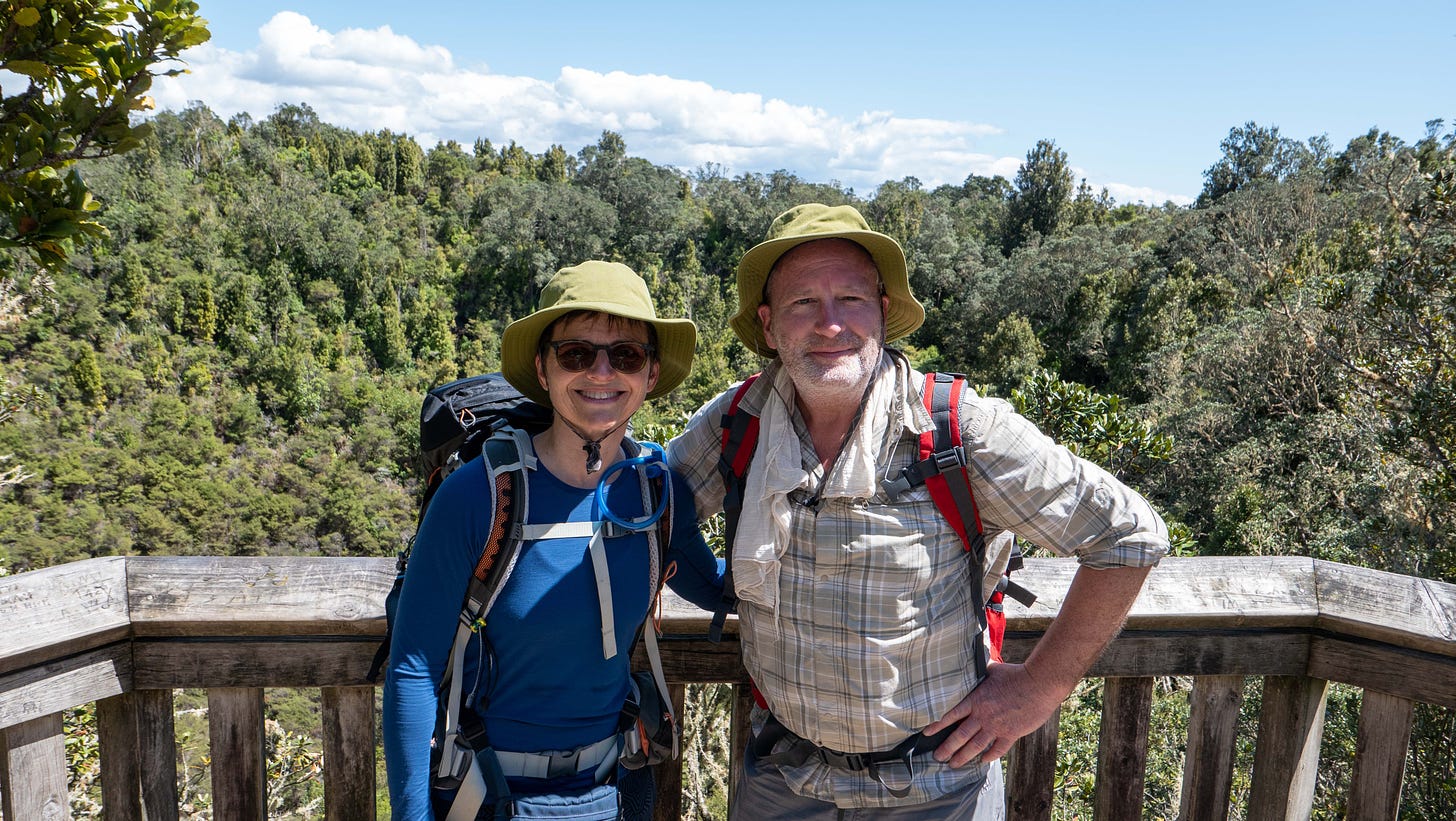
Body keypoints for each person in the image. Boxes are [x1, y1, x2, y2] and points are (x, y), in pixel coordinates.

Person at [666, 204, 1171, 819]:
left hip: (938, 784)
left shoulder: (957, 430)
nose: (830, 325)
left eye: (851, 298)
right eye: (803, 304)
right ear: (770, 327)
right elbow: (653, 502)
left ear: (882, 312)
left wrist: (1040, 689)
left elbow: (1128, 533)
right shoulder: (738, 421)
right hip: (784, 775)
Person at [384, 261, 724, 820]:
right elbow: (412, 670)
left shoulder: (656, 493)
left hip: (611, 791)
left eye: (627, 355)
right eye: (575, 354)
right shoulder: (479, 497)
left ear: (651, 375)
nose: (601, 372)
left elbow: (719, 588)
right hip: (486, 793)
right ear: (543, 370)